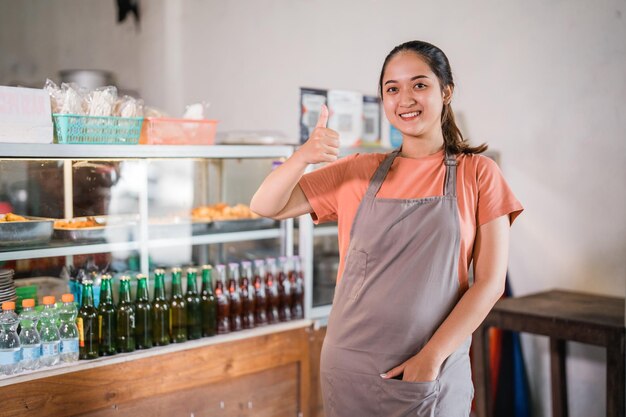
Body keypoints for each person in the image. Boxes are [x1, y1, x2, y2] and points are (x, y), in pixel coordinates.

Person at [250, 40, 523, 416]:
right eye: (392, 89)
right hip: (349, 367)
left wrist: (430, 358)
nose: (405, 99)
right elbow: (264, 205)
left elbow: (490, 284)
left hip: (431, 367)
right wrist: (304, 156)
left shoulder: (479, 174)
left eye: (419, 85)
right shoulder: (359, 170)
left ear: (446, 92)